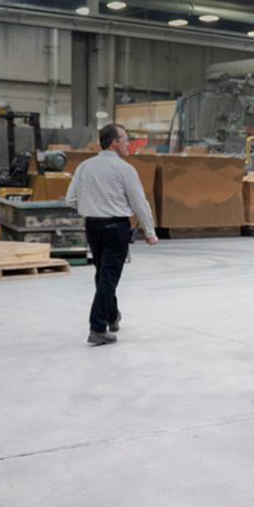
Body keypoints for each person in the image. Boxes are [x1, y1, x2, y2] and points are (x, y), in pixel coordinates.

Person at [65, 124, 157, 345]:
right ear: (114, 143)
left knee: (103, 274)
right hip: (116, 228)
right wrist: (150, 231)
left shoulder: (84, 167)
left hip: (92, 227)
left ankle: (112, 316)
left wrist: (92, 207)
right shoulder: (124, 169)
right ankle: (97, 328)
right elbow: (139, 203)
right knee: (108, 277)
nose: (128, 144)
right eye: (126, 139)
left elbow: (70, 199)